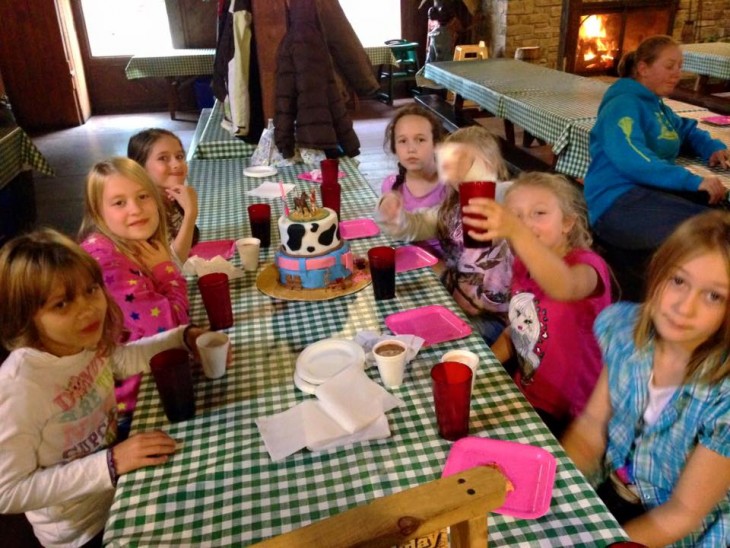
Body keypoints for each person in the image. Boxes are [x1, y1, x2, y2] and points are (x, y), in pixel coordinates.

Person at [0, 228, 204, 548]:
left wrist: (183, 336)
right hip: (80, 531)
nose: (88, 308)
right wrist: (110, 463)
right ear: (25, 317)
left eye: (91, 289)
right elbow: (7, 492)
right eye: (62, 303)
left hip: (120, 485)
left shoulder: (80, 341)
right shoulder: (19, 388)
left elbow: (120, 361)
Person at [561, 210, 730, 547]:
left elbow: (683, 513)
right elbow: (591, 428)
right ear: (658, 274)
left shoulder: (723, 398)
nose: (684, 306)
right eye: (678, 281)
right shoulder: (624, 331)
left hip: (677, 529)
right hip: (610, 489)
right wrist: (560, 490)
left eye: (713, 296)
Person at [464, 172, 612, 436]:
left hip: (572, 414)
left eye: (539, 213)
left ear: (567, 222)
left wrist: (518, 232)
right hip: (527, 392)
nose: (525, 223)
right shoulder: (523, 264)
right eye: (516, 216)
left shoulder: (588, 266)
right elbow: (518, 328)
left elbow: (564, 286)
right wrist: (482, 367)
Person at [584, 35, 730, 298]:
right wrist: (692, 181)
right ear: (643, 68)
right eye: (669, 65)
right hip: (616, 202)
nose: (677, 73)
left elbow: (685, 130)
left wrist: (712, 147)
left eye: (680, 66)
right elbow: (632, 159)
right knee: (711, 233)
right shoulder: (623, 104)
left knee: (719, 213)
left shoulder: (654, 104)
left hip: (645, 192)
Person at [79, 157, 190, 436]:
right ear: (97, 212)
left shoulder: (128, 243)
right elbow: (172, 330)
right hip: (128, 410)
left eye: (143, 196)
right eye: (119, 203)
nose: (136, 209)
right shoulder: (106, 264)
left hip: (141, 380)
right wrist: (167, 271)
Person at [376, 125, 513, 345]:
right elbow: (421, 223)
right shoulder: (453, 204)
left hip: (492, 320)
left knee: (426, 336)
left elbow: (472, 304)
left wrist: (438, 270)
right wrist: (396, 217)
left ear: (490, 165)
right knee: (395, 313)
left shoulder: (504, 207)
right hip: (455, 294)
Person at [381, 104, 447, 257]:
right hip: (410, 261)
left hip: (443, 268)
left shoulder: (449, 186)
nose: (411, 149)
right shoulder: (391, 185)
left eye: (420, 140)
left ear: (436, 144)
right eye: (403, 141)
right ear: (394, 148)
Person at [127, 128, 200, 265]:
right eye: (163, 158)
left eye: (179, 156)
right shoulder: (144, 212)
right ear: (140, 168)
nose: (177, 164)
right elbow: (171, 265)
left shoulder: (171, 197)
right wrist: (191, 213)